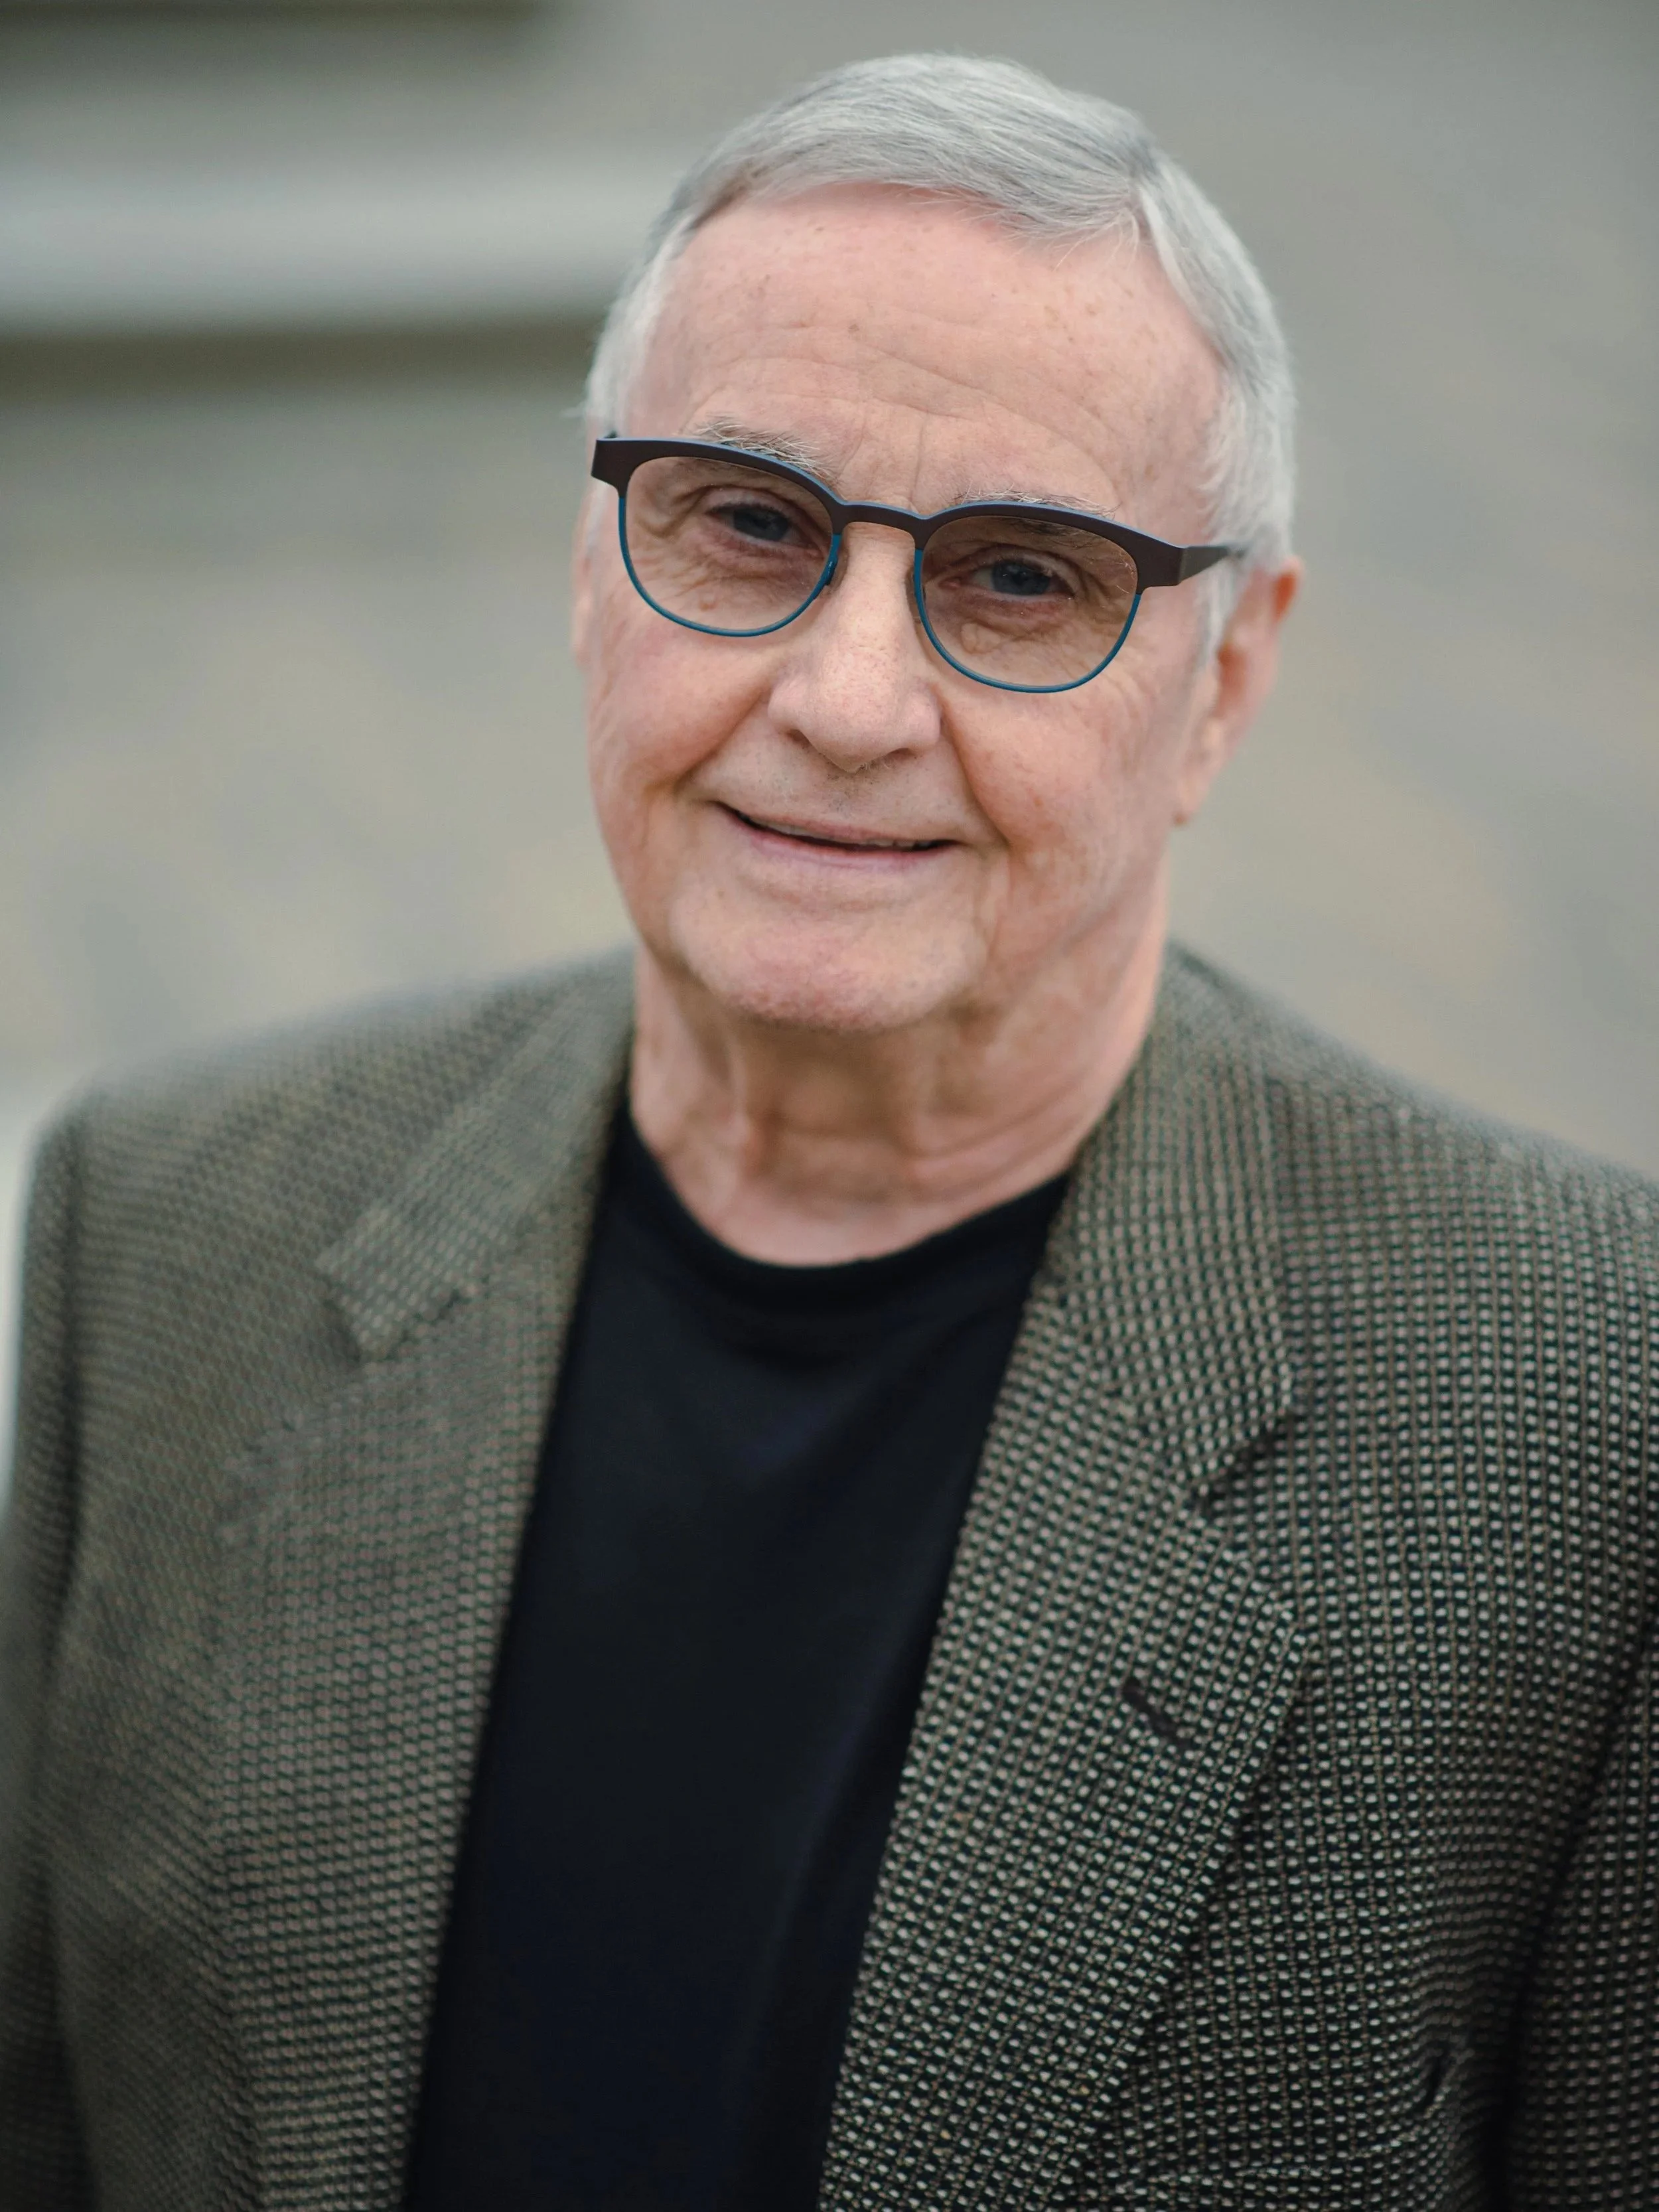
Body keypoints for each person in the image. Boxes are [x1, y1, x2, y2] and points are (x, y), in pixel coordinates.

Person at [1, 50, 1654, 2212]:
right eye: (749, 523)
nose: (847, 700)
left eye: (1023, 577)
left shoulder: (1585, 1413)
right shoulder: (161, 1225)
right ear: (589, 561)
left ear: (1228, 680)